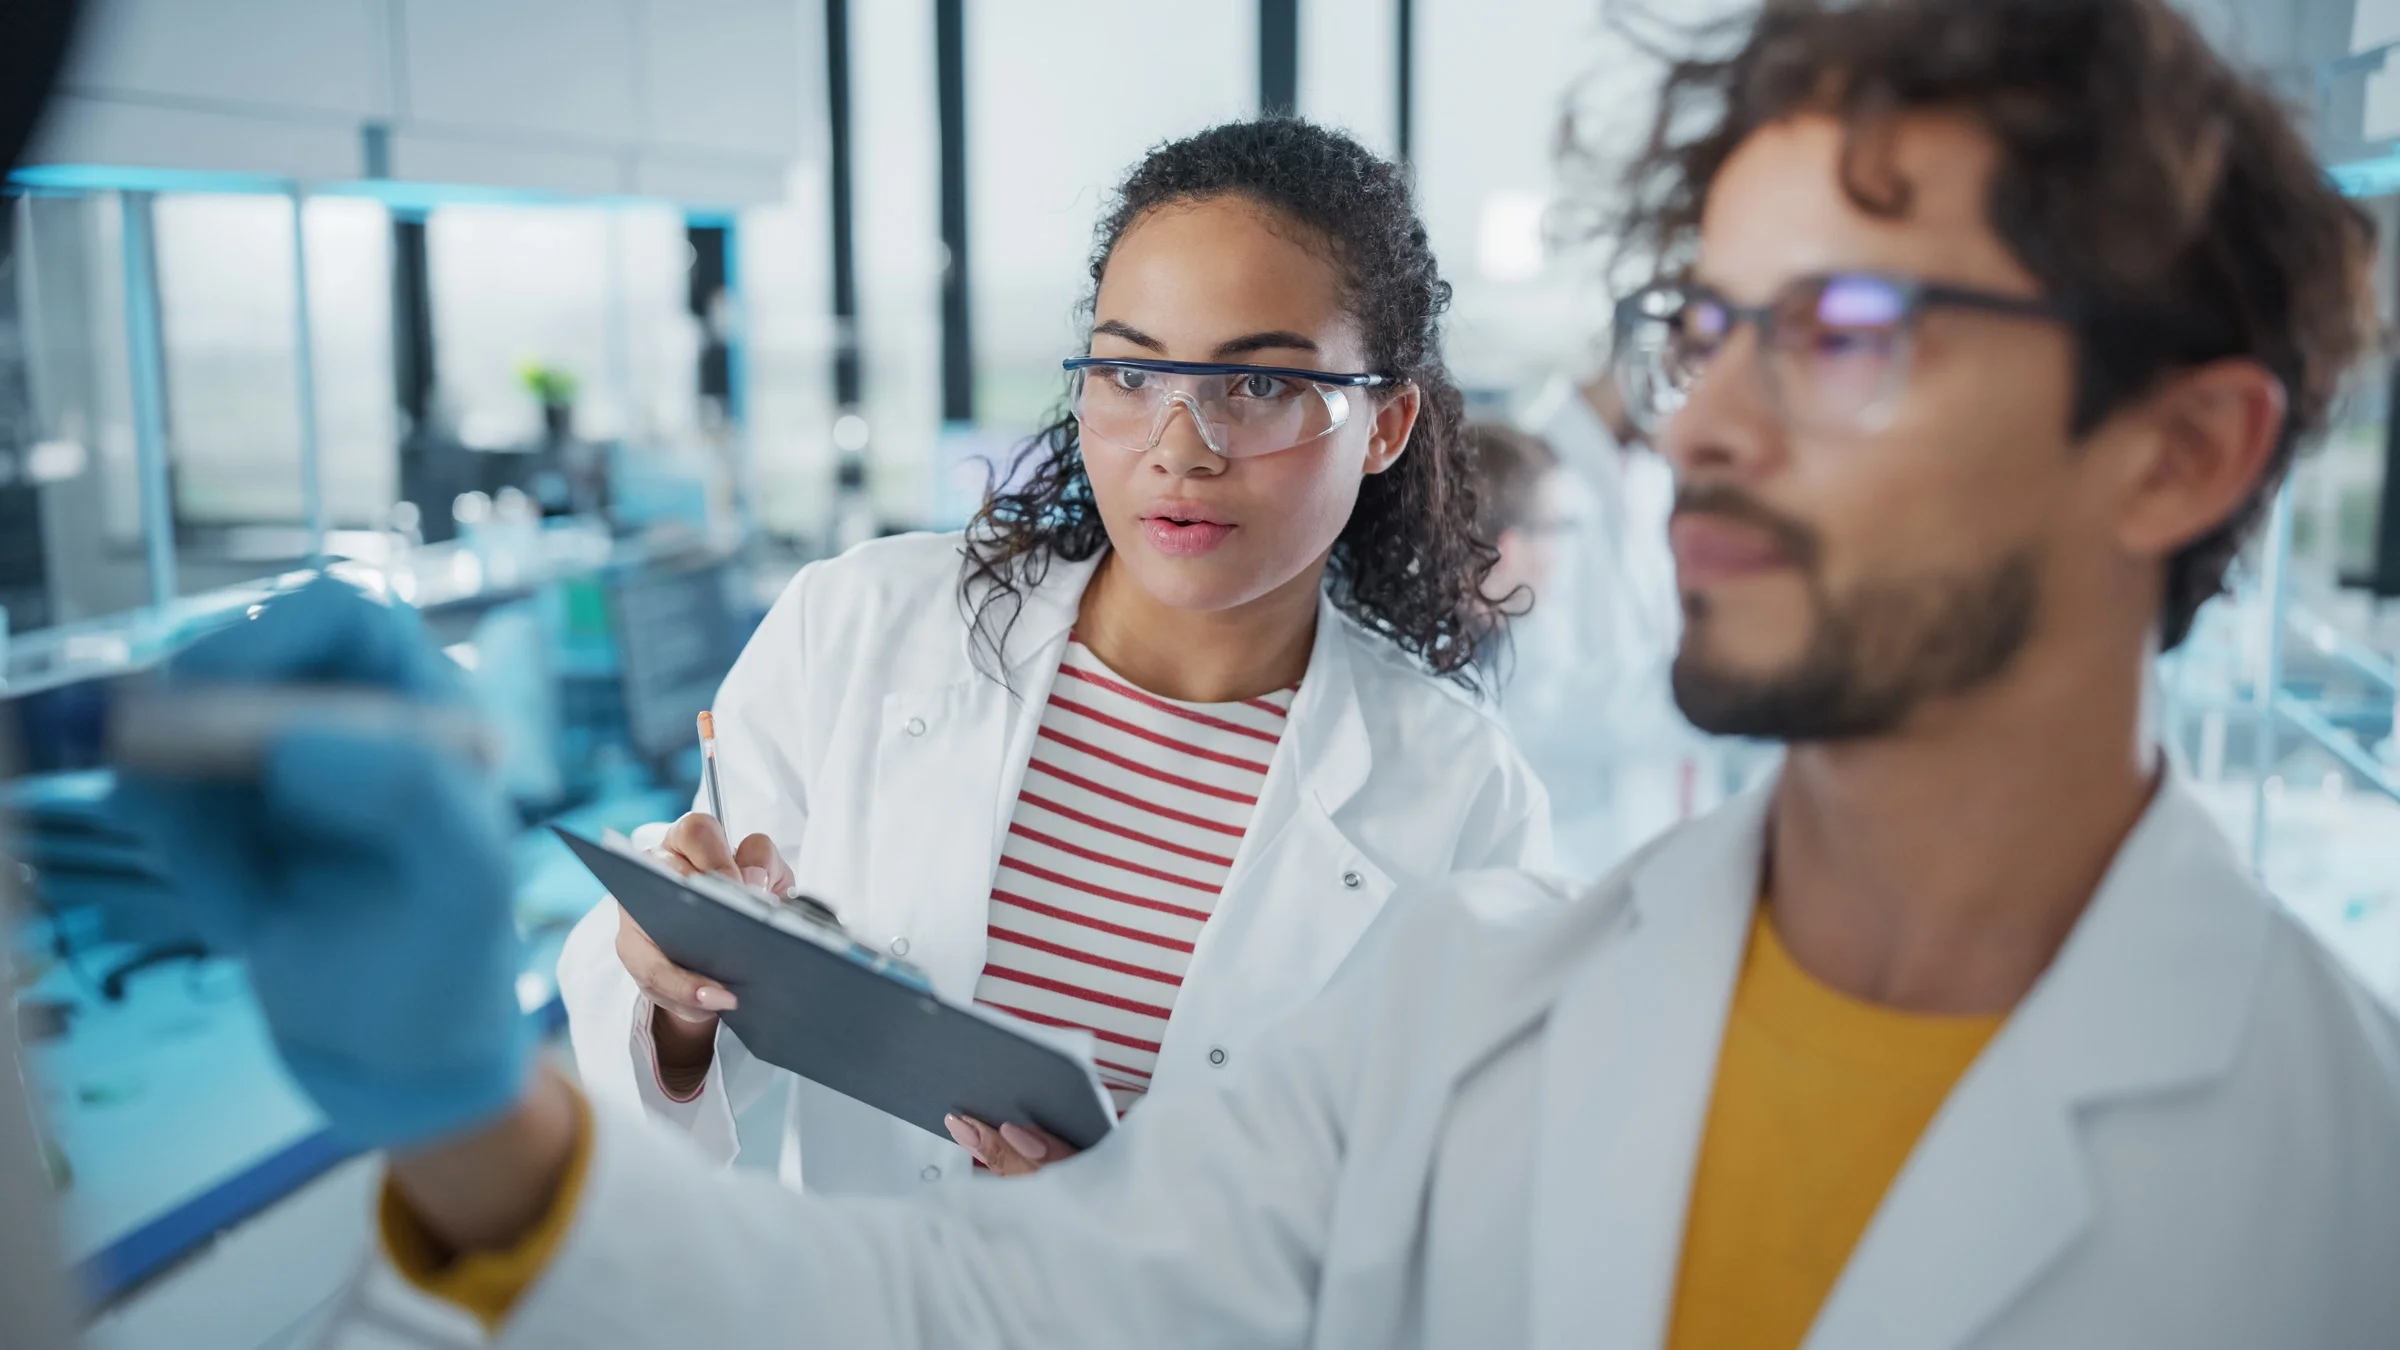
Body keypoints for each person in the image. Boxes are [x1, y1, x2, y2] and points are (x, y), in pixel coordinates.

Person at [108, 1, 2400, 1345]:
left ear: (2180, 443)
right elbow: (954, 1310)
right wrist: (462, 1099)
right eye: (1694, 325)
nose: (1697, 419)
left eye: (1847, 329)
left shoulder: (2339, 1182)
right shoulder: (1499, 1003)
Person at [555, 118, 1551, 1192]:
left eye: (1258, 387)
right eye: (1130, 375)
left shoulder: (1463, 798)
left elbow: (1471, 1219)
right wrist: (670, 1002)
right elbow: (665, 1094)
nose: (1181, 447)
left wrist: (1142, 1248)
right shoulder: (856, 628)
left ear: (1388, 424)